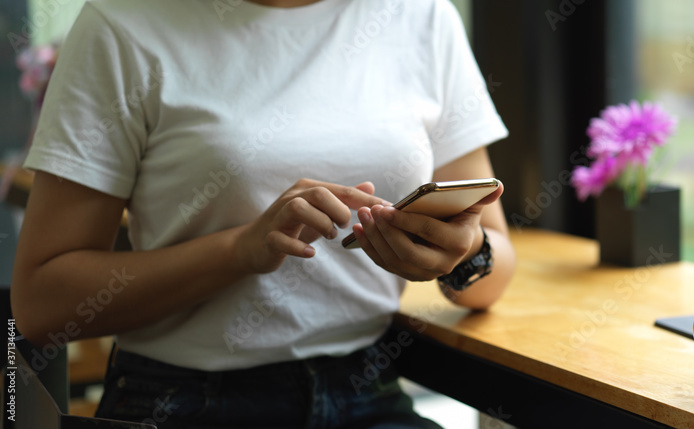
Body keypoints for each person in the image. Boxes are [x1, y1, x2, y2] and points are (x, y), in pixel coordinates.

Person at [11, 0, 515, 427]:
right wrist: (240, 250)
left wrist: (463, 254)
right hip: (182, 401)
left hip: (369, 388)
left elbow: (493, 261)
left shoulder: (421, 15)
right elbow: (41, 305)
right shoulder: (122, 24)